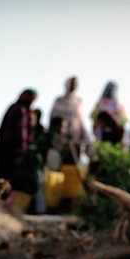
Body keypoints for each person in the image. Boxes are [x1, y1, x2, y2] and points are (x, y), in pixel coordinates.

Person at [10, 117, 67, 214]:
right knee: (38, 185)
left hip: (32, 161)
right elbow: (47, 152)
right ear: (57, 126)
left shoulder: (47, 134)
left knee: (34, 185)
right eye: (63, 126)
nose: (64, 129)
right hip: (35, 163)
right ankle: (40, 210)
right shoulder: (51, 136)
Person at [50, 76, 90, 212]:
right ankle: (54, 202)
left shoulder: (78, 103)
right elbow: (53, 120)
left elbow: (81, 123)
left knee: (72, 174)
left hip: (74, 144)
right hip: (58, 143)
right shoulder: (58, 101)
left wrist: (85, 142)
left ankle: (69, 204)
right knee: (55, 173)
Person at [0, 89, 38, 181]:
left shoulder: (14, 107)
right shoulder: (21, 110)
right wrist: (22, 152)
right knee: (8, 180)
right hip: (11, 152)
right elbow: (20, 134)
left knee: (2, 177)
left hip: (4, 149)